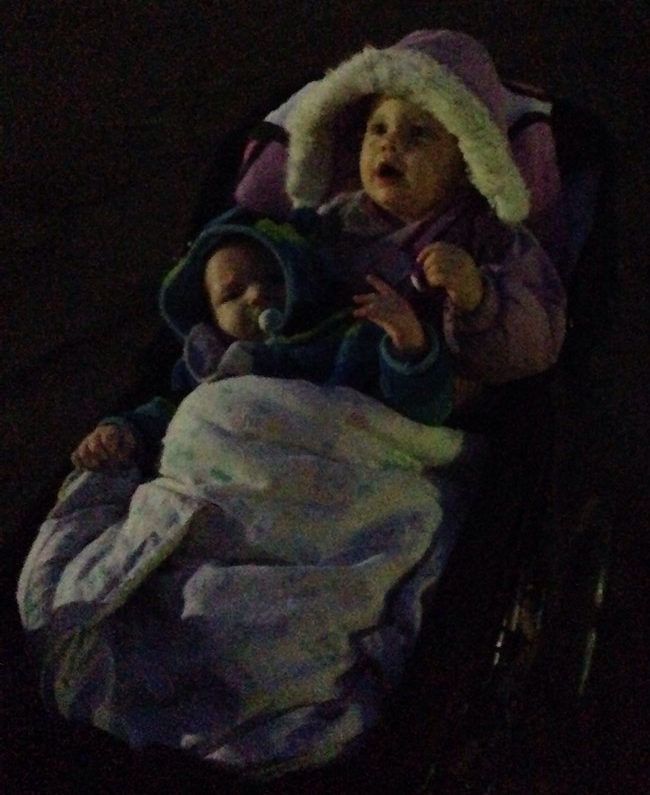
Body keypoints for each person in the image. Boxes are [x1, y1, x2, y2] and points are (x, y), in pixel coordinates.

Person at [235, 29, 568, 413]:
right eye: (377, 129)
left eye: (418, 134)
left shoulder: (489, 236)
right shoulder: (332, 223)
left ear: (467, 160)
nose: (388, 143)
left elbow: (540, 342)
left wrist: (478, 299)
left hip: (421, 413)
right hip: (320, 392)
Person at [72, 209, 454, 472]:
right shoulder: (206, 368)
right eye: (232, 293)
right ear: (211, 317)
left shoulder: (349, 337)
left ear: (302, 277)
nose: (255, 295)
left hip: (331, 463)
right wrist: (123, 434)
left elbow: (420, 413)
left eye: (273, 278)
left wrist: (408, 344)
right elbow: (172, 420)